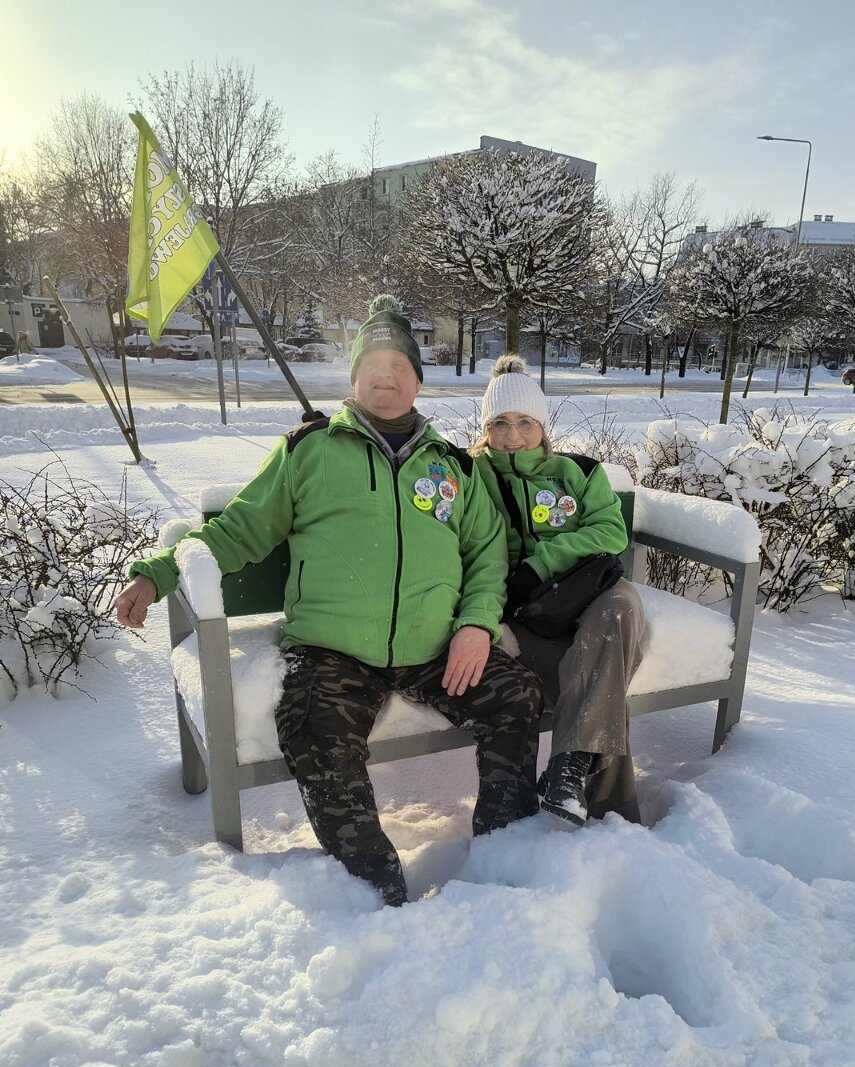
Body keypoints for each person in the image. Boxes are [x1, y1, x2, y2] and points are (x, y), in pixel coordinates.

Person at [116, 296, 543, 906]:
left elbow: (486, 554)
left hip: (435, 647)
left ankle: (505, 857)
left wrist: (475, 625)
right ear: (354, 376)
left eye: (399, 365)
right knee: (314, 729)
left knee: (517, 695)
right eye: (372, 363)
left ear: (418, 380)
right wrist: (157, 573)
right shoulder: (308, 449)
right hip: (332, 653)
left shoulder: (453, 466)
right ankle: (376, 893)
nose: (385, 375)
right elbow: (236, 531)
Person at [472, 354, 644, 826]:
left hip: (586, 596)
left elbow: (610, 532)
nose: (513, 435)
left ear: (542, 426)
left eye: (525, 422)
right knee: (599, 680)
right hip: (522, 613)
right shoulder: (469, 477)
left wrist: (541, 563)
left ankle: (569, 769)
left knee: (622, 605)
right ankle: (607, 814)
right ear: (485, 428)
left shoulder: (578, 472)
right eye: (500, 423)